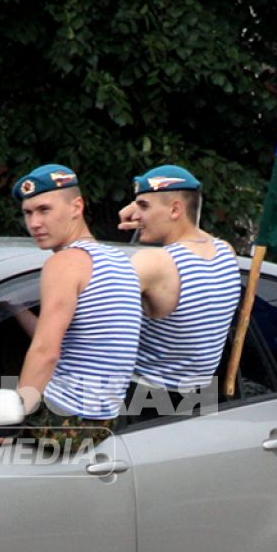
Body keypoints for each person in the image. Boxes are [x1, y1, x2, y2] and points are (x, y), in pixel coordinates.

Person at [11, 163, 140, 430]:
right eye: (28, 213)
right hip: (102, 418)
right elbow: (79, 339)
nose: (35, 223)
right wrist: (14, 309)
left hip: (66, 419)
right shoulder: (117, 260)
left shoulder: (65, 263)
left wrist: (13, 420)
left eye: (45, 210)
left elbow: (46, 352)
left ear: (76, 207)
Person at [117, 164, 241, 393]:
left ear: (175, 210)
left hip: (143, 403)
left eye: (143, 206)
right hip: (198, 400)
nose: (135, 214)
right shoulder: (225, 252)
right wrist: (144, 220)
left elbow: (89, 311)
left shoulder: (156, 263)